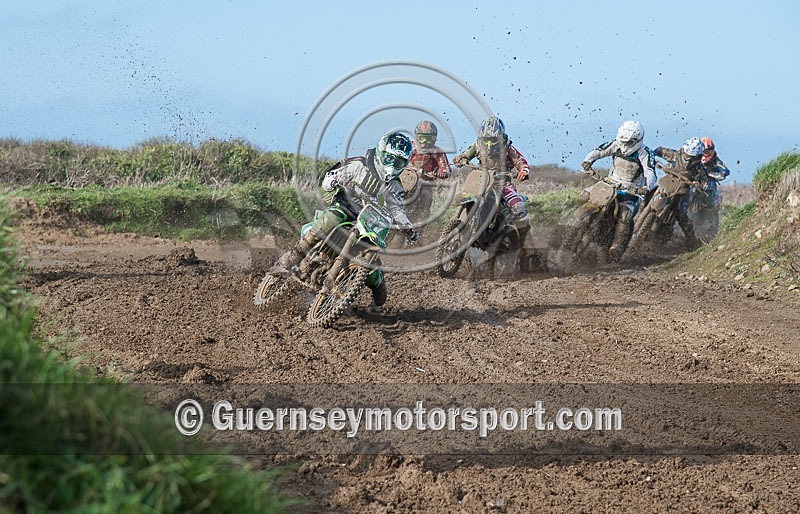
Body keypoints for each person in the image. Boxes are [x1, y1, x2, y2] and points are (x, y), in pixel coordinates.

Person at [275, 131, 420, 307]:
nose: (393, 165)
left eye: (399, 162)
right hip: (345, 208)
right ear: (382, 152)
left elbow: (397, 209)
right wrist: (335, 180)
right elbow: (330, 177)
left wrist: (408, 227)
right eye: (390, 159)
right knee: (328, 220)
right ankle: (294, 254)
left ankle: (378, 289)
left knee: (372, 262)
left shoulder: (395, 186)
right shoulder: (359, 165)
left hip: (369, 222)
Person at [452, 116, 532, 253]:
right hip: (481, 180)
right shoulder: (477, 145)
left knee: (518, 207)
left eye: (493, 140)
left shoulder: (508, 148)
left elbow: (520, 162)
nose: (489, 144)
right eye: (486, 140)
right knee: (465, 195)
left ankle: (527, 247)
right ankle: (458, 228)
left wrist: (523, 171)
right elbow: (466, 154)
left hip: (503, 183)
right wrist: (461, 158)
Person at [581, 120, 657, 261]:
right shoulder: (616, 144)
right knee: (586, 195)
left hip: (631, 192)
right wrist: (588, 161)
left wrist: (647, 187)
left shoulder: (645, 153)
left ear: (637, 140)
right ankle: (574, 224)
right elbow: (599, 151)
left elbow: (650, 172)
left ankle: (617, 246)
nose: (624, 145)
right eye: (623, 141)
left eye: (628, 142)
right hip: (610, 184)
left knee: (624, 215)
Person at [652, 136, 706, 249]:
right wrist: (651, 155)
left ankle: (692, 243)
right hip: (668, 183)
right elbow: (660, 150)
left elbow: (704, 180)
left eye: (691, 157)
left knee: (682, 215)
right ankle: (638, 218)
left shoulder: (699, 168)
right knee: (648, 193)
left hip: (683, 191)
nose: (688, 159)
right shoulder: (676, 155)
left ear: (697, 157)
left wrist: (700, 185)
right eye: (687, 155)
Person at [405, 120, 450, 230]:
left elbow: (447, 170)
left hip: (425, 185)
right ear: (416, 137)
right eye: (421, 138)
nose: (424, 142)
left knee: (426, 199)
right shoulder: (408, 147)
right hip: (406, 182)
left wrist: (442, 173)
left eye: (428, 138)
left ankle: (420, 231)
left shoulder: (438, 152)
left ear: (434, 139)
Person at [698, 136, 730, 209]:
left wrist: (711, 174)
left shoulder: (715, 161)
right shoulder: (694, 159)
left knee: (710, 203)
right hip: (694, 181)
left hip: (708, 185)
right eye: (703, 152)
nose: (705, 154)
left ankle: (711, 210)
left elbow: (725, 171)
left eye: (707, 152)